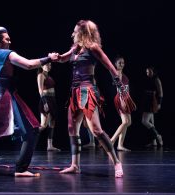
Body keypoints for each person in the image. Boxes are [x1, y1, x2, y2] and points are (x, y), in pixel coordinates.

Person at [0, 26, 59, 177]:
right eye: (7, 39)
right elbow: (28, 65)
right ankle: (21, 169)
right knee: (32, 129)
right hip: (5, 96)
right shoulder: (5, 53)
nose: (10, 41)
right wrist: (49, 58)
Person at [56, 20, 134, 178]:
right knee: (72, 128)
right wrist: (54, 57)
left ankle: (117, 163)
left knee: (96, 130)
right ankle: (75, 165)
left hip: (86, 90)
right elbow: (63, 58)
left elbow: (110, 66)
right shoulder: (75, 48)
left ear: (84, 33)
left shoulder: (92, 48)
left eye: (76, 31)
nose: (73, 34)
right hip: (74, 91)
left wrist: (119, 86)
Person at [110, 56, 136, 151]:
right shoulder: (117, 73)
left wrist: (130, 101)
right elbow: (120, 88)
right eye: (120, 63)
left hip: (126, 97)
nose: (122, 64)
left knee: (128, 122)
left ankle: (120, 145)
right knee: (125, 122)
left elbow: (126, 89)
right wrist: (122, 100)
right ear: (115, 64)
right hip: (121, 98)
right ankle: (111, 141)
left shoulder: (121, 73)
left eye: (123, 62)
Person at [37, 63, 60, 151]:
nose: (49, 66)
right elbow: (40, 90)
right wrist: (45, 103)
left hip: (52, 100)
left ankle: (49, 146)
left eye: (50, 65)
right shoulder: (40, 75)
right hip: (45, 100)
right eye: (47, 65)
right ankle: (29, 137)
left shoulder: (49, 76)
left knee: (52, 123)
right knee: (43, 125)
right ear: (42, 66)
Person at [141, 66, 163, 147]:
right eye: (147, 72)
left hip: (152, 101)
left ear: (153, 72)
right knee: (151, 122)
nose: (148, 73)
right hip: (146, 100)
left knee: (144, 121)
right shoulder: (147, 79)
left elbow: (160, 92)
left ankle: (158, 136)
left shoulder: (156, 79)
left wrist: (159, 103)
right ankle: (154, 142)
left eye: (149, 72)